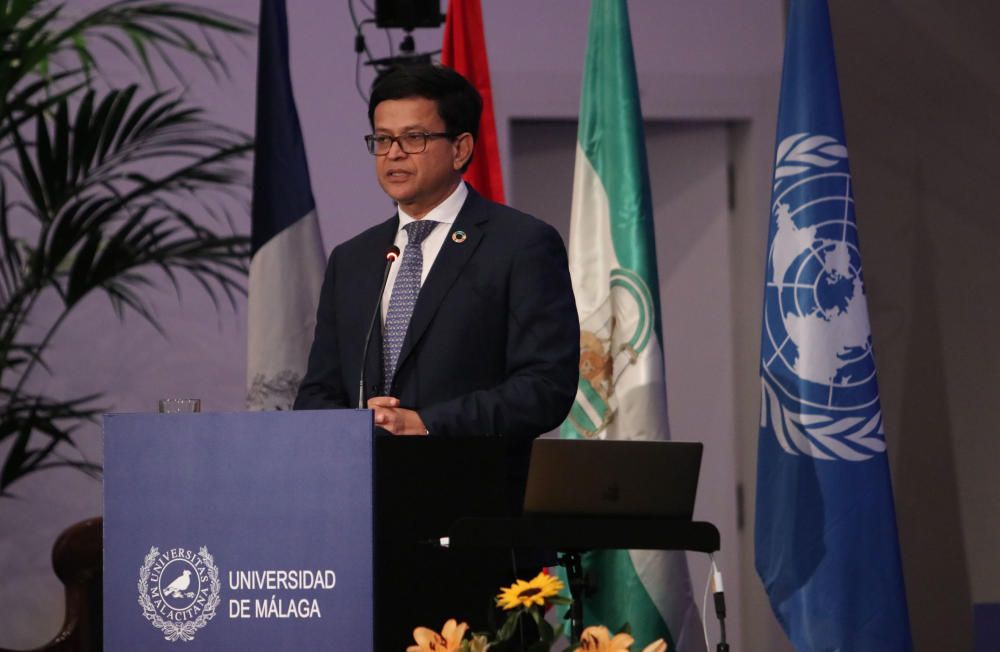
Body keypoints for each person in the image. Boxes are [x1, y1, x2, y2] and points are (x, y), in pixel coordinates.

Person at [294, 64, 579, 650]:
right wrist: (352, 427)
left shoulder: (519, 244)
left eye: (414, 138)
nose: (394, 154)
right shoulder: (354, 259)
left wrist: (426, 422)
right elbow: (318, 391)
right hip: (363, 542)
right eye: (382, 139)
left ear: (461, 148)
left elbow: (546, 386)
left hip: (477, 540)